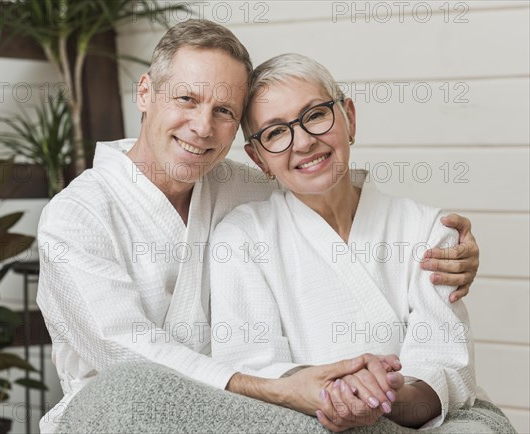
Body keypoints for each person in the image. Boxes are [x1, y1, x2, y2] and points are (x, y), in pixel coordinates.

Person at [37, 20, 481, 433]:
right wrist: (282, 388)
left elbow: (317, 183)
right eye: (187, 99)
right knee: (129, 391)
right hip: (123, 415)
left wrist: (449, 249)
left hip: (236, 416)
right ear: (145, 93)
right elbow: (125, 353)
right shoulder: (76, 217)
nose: (202, 127)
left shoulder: (245, 185)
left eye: (225, 111)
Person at [209, 53, 514, 432]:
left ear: (349, 118)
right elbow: (250, 368)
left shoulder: (428, 230)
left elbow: (446, 366)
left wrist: (380, 396)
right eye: (275, 132)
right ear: (258, 159)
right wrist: (336, 390)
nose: (303, 141)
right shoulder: (240, 239)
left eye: (316, 114)